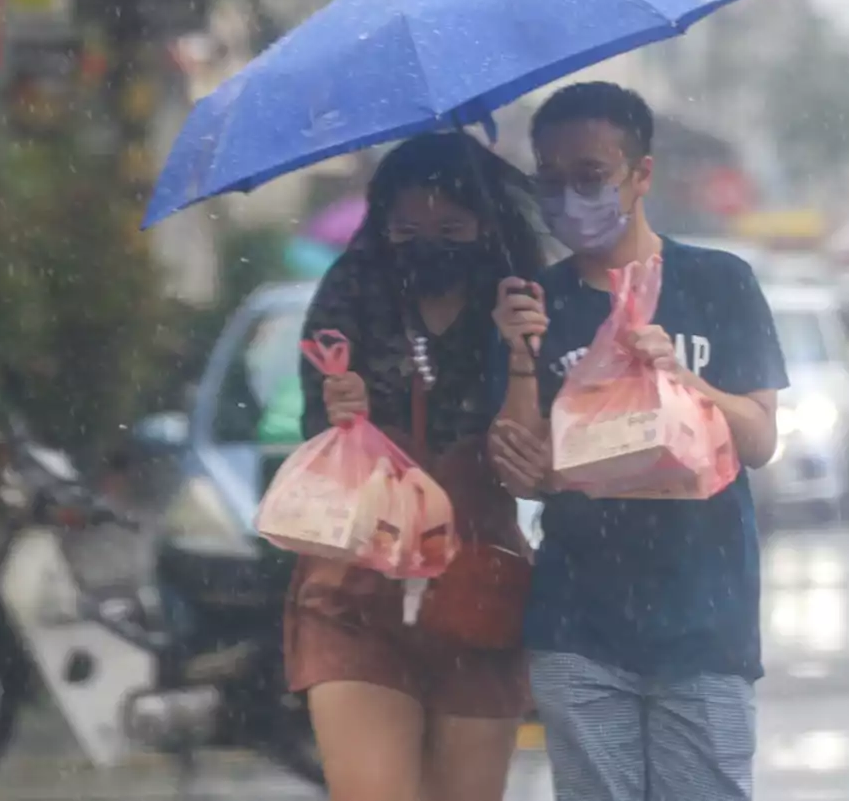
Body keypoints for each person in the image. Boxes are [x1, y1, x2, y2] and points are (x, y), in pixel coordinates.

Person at [487, 82, 788, 801]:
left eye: (590, 177)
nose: (570, 198)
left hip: (704, 618)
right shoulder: (533, 302)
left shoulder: (719, 282)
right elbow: (525, 471)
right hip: (579, 622)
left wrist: (682, 382)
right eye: (550, 181)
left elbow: (758, 439)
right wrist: (521, 354)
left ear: (641, 174)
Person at [284, 132, 545, 801]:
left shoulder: (519, 295)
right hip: (357, 590)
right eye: (407, 227)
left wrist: (521, 354)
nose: (428, 241)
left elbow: (526, 461)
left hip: (477, 590)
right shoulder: (351, 289)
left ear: (485, 225)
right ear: (382, 222)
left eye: (450, 226)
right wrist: (343, 411)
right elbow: (317, 439)